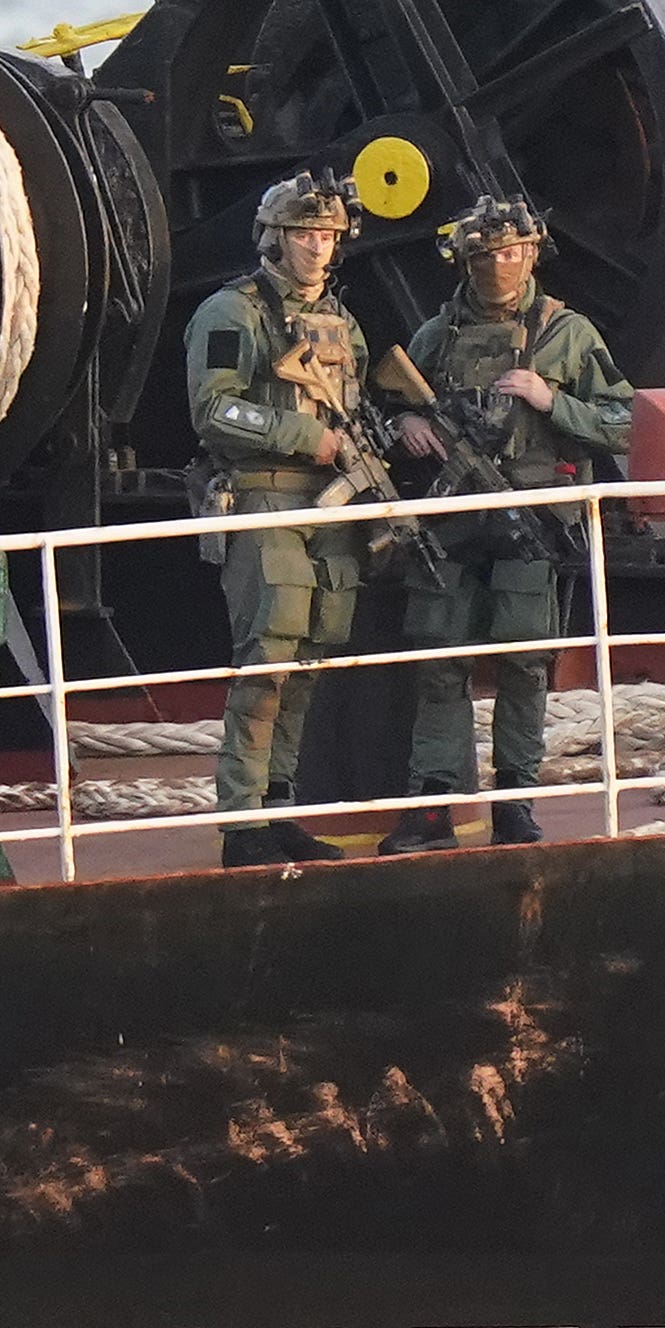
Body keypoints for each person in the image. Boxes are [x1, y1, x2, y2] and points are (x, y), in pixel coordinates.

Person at [378, 194, 633, 853]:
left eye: (514, 251)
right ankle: (432, 804)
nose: (502, 263)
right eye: (487, 254)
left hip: (531, 517)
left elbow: (626, 420)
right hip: (453, 520)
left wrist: (553, 402)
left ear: (533, 253)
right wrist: (405, 425)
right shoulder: (437, 335)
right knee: (439, 662)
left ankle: (515, 800)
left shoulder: (565, 333)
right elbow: (384, 406)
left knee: (524, 663)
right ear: (465, 260)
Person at [185, 170, 374, 869]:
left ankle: (281, 806)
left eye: (327, 235)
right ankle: (242, 820)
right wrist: (305, 439)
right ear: (274, 237)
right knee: (267, 659)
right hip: (266, 495)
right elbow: (214, 410)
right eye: (303, 234)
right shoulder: (232, 313)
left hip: (332, 504)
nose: (317, 248)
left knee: (311, 660)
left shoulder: (341, 321)